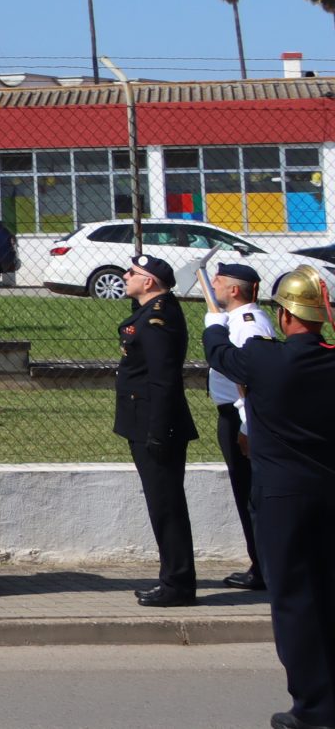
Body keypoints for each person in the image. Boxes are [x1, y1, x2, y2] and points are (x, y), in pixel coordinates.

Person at [201, 266, 335, 729]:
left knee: (295, 603)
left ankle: (315, 709)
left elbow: (218, 352)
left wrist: (216, 319)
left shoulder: (264, 359)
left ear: (284, 316)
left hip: (283, 499)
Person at [114, 252, 200, 607]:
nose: (125, 276)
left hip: (155, 424)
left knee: (166, 506)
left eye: (132, 272)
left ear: (148, 281)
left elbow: (164, 380)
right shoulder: (151, 312)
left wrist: (158, 432)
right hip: (147, 421)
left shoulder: (157, 319)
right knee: (162, 505)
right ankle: (174, 579)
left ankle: (177, 584)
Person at [205, 262, 277, 591]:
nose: (213, 285)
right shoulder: (234, 320)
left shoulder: (249, 324)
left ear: (234, 290)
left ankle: (263, 568)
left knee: (251, 494)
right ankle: (259, 564)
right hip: (234, 416)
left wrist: (247, 426)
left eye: (218, 281)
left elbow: (255, 379)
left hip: (243, 418)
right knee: (244, 492)